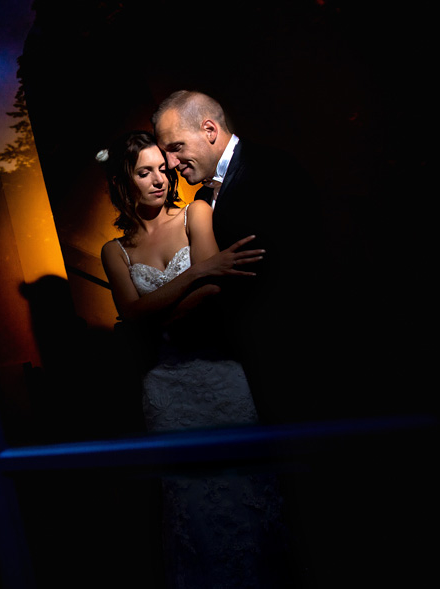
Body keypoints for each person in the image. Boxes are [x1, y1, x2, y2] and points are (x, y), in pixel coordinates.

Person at [98, 130, 293, 587]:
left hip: (221, 373)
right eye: (144, 172)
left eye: (162, 170)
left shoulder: (195, 213)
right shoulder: (114, 250)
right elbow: (131, 311)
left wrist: (157, 313)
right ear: (122, 182)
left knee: (247, 489)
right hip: (165, 388)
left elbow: (214, 289)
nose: (159, 180)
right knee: (190, 499)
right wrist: (197, 272)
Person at [152, 90, 325, 424]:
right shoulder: (203, 197)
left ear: (209, 130)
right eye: (166, 153)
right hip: (243, 359)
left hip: (293, 353)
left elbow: (286, 270)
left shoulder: (271, 168)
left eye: (176, 148)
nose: (171, 163)